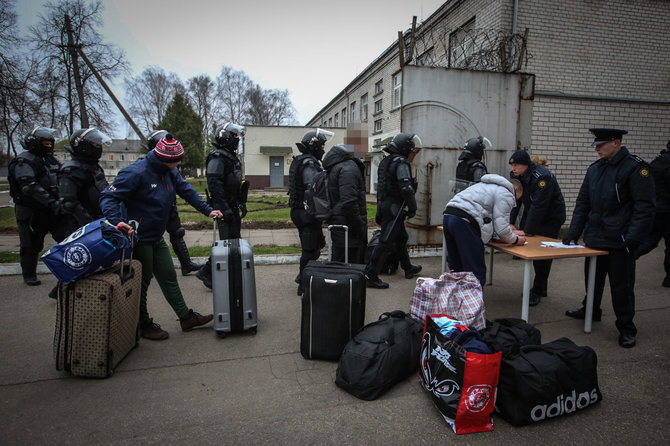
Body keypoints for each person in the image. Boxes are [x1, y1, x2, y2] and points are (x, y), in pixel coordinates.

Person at [100, 133, 222, 340]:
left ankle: (186, 317)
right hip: (138, 237)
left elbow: (186, 190)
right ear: (166, 159)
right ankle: (143, 324)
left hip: (156, 235)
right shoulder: (136, 172)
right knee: (142, 282)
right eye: (178, 160)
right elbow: (109, 196)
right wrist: (116, 221)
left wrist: (207, 210)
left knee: (168, 275)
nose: (180, 162)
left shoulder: (169, 171)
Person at [563, 128, 655, 348]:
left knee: (621, 287)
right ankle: (591, 310)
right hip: (595, 238)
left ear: (616, 143)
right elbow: (583, 203)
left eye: (601, 145)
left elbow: (645, 207)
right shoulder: (595, 169)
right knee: (592, 280)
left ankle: (626, 328)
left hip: (620, 241)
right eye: (595, 144)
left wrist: (632, 238)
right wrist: (573, 232)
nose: (596, 149)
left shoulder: (635, 168)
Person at [8, 126, 71, 286]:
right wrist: (52, 202)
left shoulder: (51, 160)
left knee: (67, 238)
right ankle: (29, 274)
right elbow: (29, 186)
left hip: (54, 209)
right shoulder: (24, 160)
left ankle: (71, 268)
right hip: (31, 210)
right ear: (35, 143)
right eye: (45, 143)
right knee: (30, 243)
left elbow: (62, 178)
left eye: (50, 143)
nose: (48, 146)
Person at [443, 174, 526, 286]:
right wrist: (516, 239)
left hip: (448, 216)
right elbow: (502, 229)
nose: (514, 202)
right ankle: (473, 303)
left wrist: (506, 230)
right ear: (515, 189)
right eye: (516, 199)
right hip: (465, 222)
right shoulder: (507, 193)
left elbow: (485, 216)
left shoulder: (483, 185)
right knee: (475, 271)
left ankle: (456, 300)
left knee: (457, 267)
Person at [364, 132, 423, 289]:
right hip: (394, 207)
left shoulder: (386, 161)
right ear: (404, 147)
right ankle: (370, 275)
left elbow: (383, 187)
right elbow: (406, 188)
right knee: (385, 241)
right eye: (410, 149)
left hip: (385, 205)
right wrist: (413, 207)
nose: (411, 152)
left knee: (401, 238)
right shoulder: (401, 162)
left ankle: (408, 268)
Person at [508, 149, 566, 306]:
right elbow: (515, 200)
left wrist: (527, 230)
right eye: (512, 165)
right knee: (532, 249)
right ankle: (540, 287)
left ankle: (538, 289)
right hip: (533, 212)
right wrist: (510, 223)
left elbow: (540, 206)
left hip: (551, 218)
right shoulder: (516, 176)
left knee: (543, 254)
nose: (513, 169)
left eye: (517, 165)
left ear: (526, 164)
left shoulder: (542, 177)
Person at [195, 122, 248, 289]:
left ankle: (224, 273)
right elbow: (215, 184)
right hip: (223, 207)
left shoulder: (230, 156)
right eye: (235, 137)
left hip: (232, 204)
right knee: (226, 243)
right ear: (226, 138)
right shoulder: (218, 156)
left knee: (233, 241)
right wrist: (224, 208)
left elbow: (235, 183)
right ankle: (207, 272)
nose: (237, 140)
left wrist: (241, 203)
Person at [145, 130, 200, 276]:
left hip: (169, 207)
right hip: (150, 211)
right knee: (148, 239)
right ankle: (146, 268)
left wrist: (206, 208)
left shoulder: (172, 169)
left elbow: (185, 188)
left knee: (177, 233)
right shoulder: (144, 167)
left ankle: (186, 264)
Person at [288, 128, 332, 295]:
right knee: (309, 250)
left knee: (316, 245)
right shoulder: (309, 164)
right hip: (306, 213)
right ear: (314, 147)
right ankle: (304, 286)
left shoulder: (304, 161)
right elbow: (313, 188)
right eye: (321, 146)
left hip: (301, 211)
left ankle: (302, 276)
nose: (323, 149)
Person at [322, 144, 368, 264]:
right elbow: (349, 202)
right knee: (347, 262)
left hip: (338, 220)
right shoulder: (349, 168)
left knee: (339, 259)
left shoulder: (336, 167)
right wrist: (359, 228)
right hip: (347, 224)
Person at [59, 128, 111, 229]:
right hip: (81, 225)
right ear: (84, 146)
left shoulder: (95, 167)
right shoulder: (71, 169)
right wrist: (89, 224)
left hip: (100, 219)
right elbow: (69, 203)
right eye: (96, 145)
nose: (99, 148)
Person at [636, 139, 670, 288]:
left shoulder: (656, 163)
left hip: (656, 208)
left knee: (650, 240)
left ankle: (629, 257)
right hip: (667, 210)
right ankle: (669, 279)